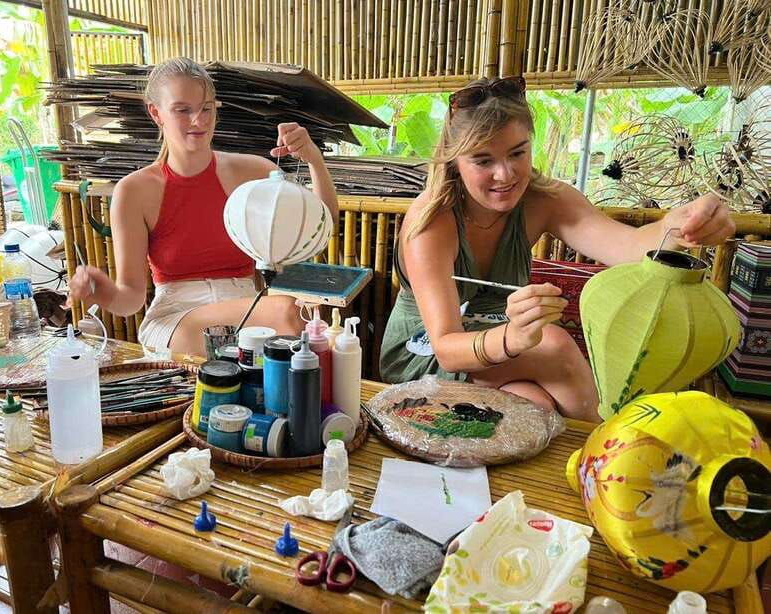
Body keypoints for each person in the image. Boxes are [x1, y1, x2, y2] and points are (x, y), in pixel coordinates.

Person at [380, 76, 734, 422]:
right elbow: (447, 348)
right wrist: (514, 337)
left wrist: (680, 225)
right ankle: (614, 445)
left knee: (534, 405)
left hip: (503, 349)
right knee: (553, 344)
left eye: (517, 152)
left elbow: (631, 246)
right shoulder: (432, 222)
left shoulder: (544, 199)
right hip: (424, 354)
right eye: (483, 160)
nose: (505, 174)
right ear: (455, 159)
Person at [68, 58, 339, 355]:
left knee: (292, 315)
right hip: (177, 319)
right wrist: (100, 290)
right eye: (182, 110)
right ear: (156, 113)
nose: (198, 120)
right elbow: (131, 299)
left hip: (250, 307)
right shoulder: (134, 191)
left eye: (206, 108)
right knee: (287, 313)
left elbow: (322, 226)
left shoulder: (253, 172)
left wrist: (314, 159)